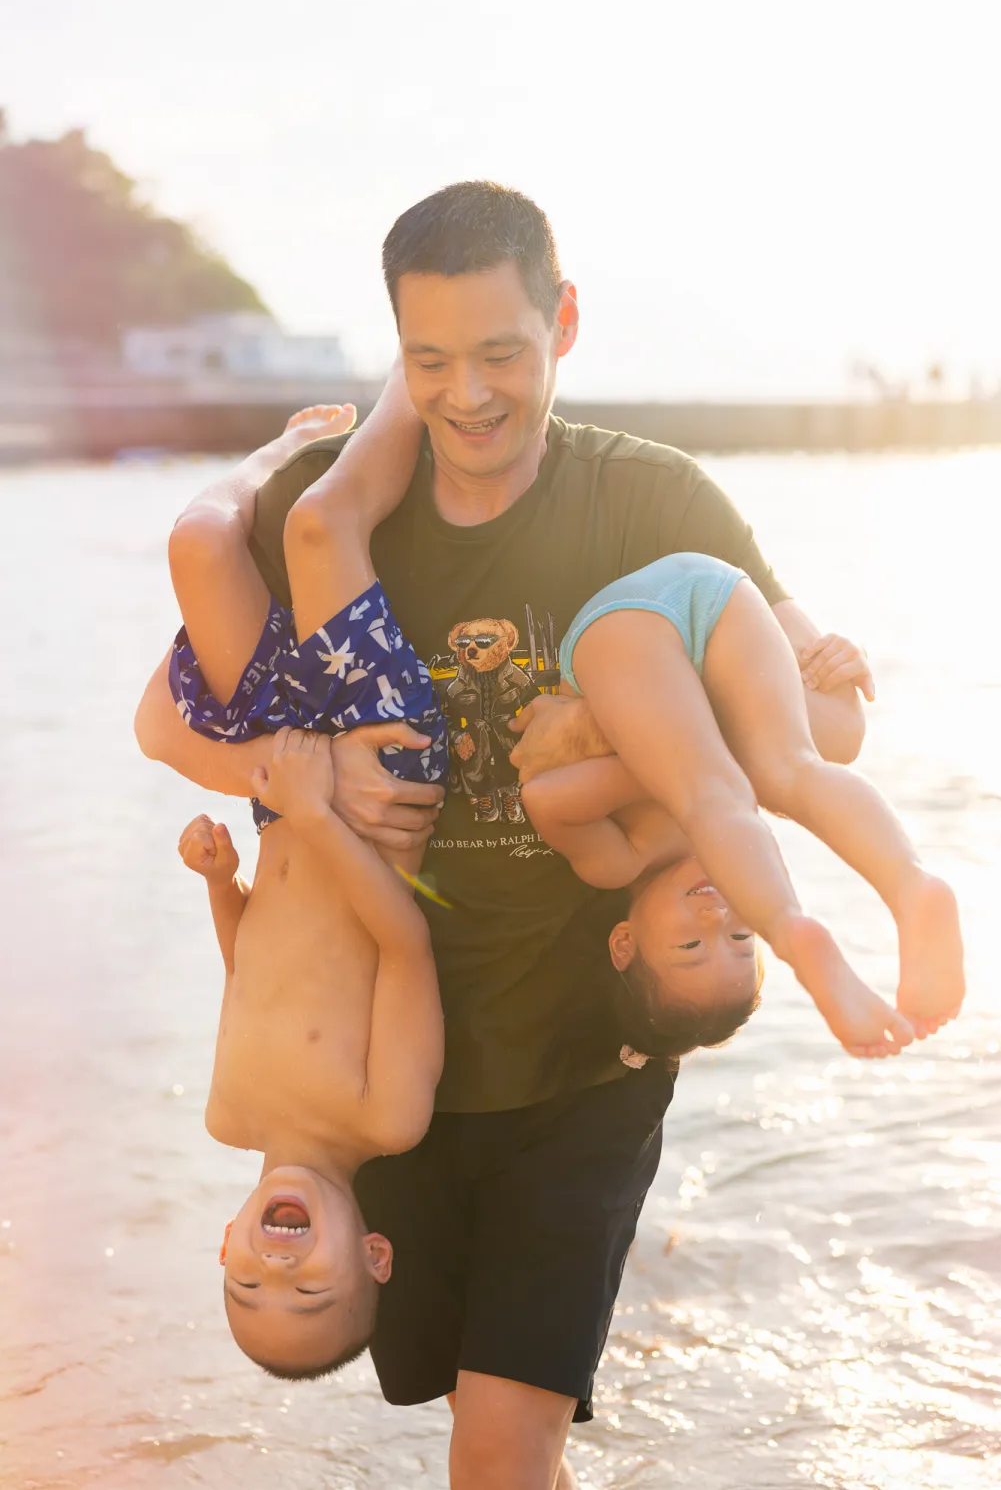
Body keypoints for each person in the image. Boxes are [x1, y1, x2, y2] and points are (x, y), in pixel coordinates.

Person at [136, 181, 880, 1490]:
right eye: (429, 362)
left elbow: (830, 729)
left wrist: (623, 719)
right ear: (395, 352)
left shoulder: (649, 502)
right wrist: (297, 770)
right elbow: (163, 717)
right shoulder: (326, 501)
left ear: (563, 324)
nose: (468, 395)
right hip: (391, 1104)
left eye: (501, 354)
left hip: (584, 1061)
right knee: (471, 1431)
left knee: (500, 1444)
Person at [165, 386, 448, 1378]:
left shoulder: (229, 1114)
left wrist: (221, 884)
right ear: (373, 1256)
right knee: (319, 529)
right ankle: (420, 372)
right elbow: (404, 947)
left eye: (246, 1285)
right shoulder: (385, 1119)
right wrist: (323, 814)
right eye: (309, 1290)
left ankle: (278, 449)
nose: (275, 1269)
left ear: (224, 1245)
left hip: (280, 793)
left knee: (199, 542)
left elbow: (254, 975)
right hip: (378, 775)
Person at [521, 553, 964, 1061]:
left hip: (623, 625)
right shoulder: (741, 843)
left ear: (625, 943)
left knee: (714, 798)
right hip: (719, 594)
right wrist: (698, 757)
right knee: (794, 771)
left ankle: (791, 932)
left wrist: (670, 765)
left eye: (690, 947)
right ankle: (910, 882)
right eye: (740, 935)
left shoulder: (621, 859)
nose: (715, 917)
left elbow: (545, 798)